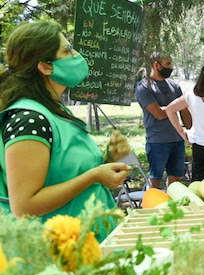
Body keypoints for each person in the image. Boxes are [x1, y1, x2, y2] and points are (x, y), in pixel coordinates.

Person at [0, 21, 130, 241]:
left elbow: (63, 173)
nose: (76, 55)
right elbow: (24, 205)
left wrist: (108, 158)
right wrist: (94, 176)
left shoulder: (53, 109)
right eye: (67, 50)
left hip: (87, 244)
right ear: (46, 66)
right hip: (57, 257)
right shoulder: (29, 119)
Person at [135, 52, 191, 189]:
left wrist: (190, 131)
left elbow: (184, 111)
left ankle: (171, 206)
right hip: (157, 141)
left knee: (176, 180)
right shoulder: (143, 87)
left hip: (177, 140)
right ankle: (149, 207)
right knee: (155, 179)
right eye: (167, 64)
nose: (171, 67)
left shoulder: (175, 86)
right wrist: (174, 108)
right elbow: (158, 113)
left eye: (171, 63)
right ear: (156, 65)